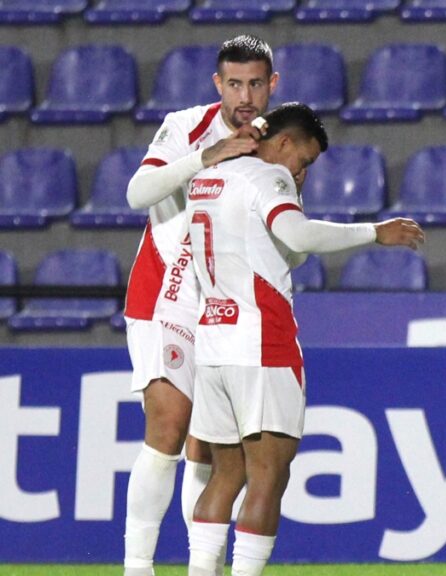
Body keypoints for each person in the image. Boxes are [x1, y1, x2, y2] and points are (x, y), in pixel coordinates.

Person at [184, 103, 424, 576]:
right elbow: (298, 234)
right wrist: (375, 232)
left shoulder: (208, 178)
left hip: (212, 341)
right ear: (283, 142)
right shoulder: (266, 177)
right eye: (304, 161)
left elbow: (273, 251)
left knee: (226, 474)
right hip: (261, 341)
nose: (302, 173)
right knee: (269, 476)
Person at [121, 34, 277, 576]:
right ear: (218, 84)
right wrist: (207, 156)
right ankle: (136, 566)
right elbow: (137, 193)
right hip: (163, 295)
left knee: (207, 448)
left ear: (272, 85)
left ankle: (199, 566)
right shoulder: (187, 124)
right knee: (168, 427)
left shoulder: (276, 142)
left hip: (221, 302)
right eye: (235, 83)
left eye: (256, 83)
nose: (245, 95)